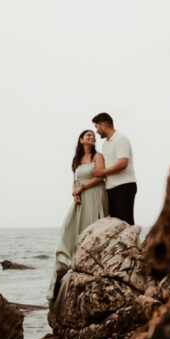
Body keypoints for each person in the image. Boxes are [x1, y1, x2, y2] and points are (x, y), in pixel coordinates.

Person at [46, 129, 109, 301]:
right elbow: (74, 178)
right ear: (81, 140)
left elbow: (100, 178)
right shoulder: (76, 159)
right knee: (69, 230)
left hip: (95, 194)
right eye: (88, 135)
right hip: (81, 198)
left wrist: (82, 188)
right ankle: (63, 270)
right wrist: (74, 191)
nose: (92, 137)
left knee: (92, 228)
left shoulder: (98, 156)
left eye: (93, 136)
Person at [91, 112, 137, 225]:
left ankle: (133, 243)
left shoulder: (120, 139)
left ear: (102, 125)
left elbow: (123, 163)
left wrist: (102, 171)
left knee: (127, 223)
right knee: (116, 225)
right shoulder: (105, 144)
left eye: (96, 127)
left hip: (124, 186)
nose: (96, 131)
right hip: (110, 189)